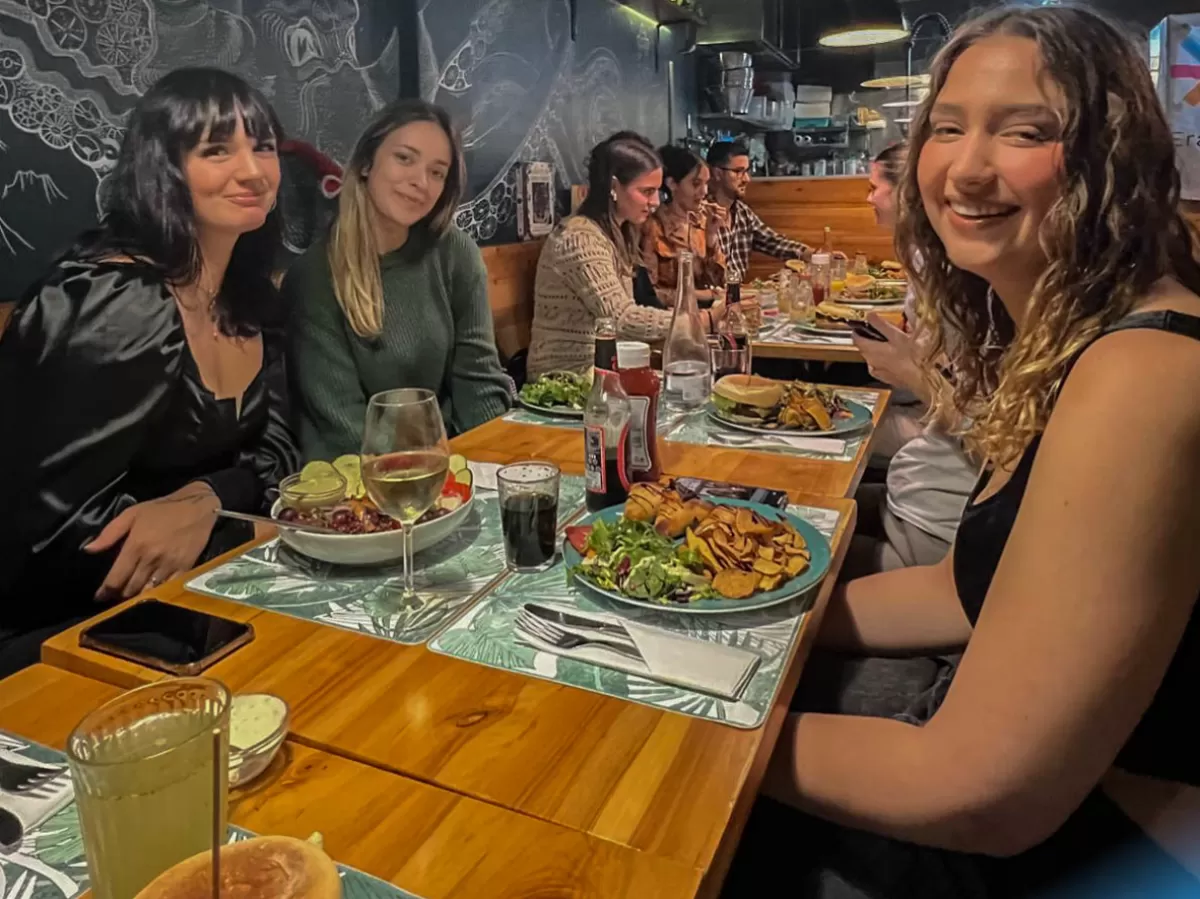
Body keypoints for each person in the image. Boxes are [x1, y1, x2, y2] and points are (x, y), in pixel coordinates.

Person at [724, 7, 1200, 896]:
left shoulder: (1144, 370)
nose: (968, 166)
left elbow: (982, 792)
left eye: (1027, 131)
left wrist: (689, 728)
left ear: (1113, 154)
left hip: (1115, 849)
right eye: (947, 128)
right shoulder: (1078, 339)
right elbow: (963, 586)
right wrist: (743, 610)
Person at [0, 68, 297, 675]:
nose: (252, 170)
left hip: (191, 600)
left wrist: (207, 501)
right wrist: (230, 517)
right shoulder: (115, 303)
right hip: (61, 638)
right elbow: (52, 543)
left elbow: (280, 461)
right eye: (217, 150)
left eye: (262, 146)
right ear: (163, 168)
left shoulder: (247, 296)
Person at [285, 100, 511, 460]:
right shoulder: (314, 277)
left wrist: (496, 463)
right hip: (359, 481)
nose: (420, 182)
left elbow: (479, 380)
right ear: (365, 164)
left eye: (437, 172)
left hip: (451, 464)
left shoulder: (454, 252)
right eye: (404, 158)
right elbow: (343, 425)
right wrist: (427, 478)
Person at [846, 142, 975, 576]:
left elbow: (999, 436)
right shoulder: (934, 262)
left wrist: (911, 372)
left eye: (873, 187)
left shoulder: (956, 275)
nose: (868, 198)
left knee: (836, 434)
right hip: (918, 482)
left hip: (937, 523)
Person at [527, 133, 722, 379]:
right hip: (566, 379)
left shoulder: (620, 233)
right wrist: (703, 320)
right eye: (646, 191)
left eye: (656, 192)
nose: (654, 202)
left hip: (606, 373)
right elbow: (623, 319)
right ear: (614, 187)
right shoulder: (579, 238)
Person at [707, 140, 810, 284]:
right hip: (710, 300)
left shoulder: (742, 213)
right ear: (717, 173)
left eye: (747, 171)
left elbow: (773, 242)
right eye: (738, 172)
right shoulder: (702, 213)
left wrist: (810, 254)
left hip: (738, 298)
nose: (747, 179)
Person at [640, 145, 727, 306]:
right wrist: (699, 295)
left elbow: (720, 282)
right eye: (696, 184)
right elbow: (648, 294)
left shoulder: (702, 221)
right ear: (672, 184)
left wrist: (711, 238)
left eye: (706, 183)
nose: (704, 192)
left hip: (708, 313)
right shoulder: (653, 227)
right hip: (670, 318)